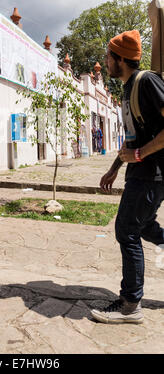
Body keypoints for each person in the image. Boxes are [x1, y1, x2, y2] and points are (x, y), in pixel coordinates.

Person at [91, 30, 164, 325]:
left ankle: (130, 305)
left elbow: (146, 143)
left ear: (120, 59)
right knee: (143, 226)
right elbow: (133, 139)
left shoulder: (147, 81)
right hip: (140, 171)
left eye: (108, 56)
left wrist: (140, 155)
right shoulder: (127, 88)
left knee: (127, 230)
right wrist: (115, 167)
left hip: (151, 174)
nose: (105, 61)